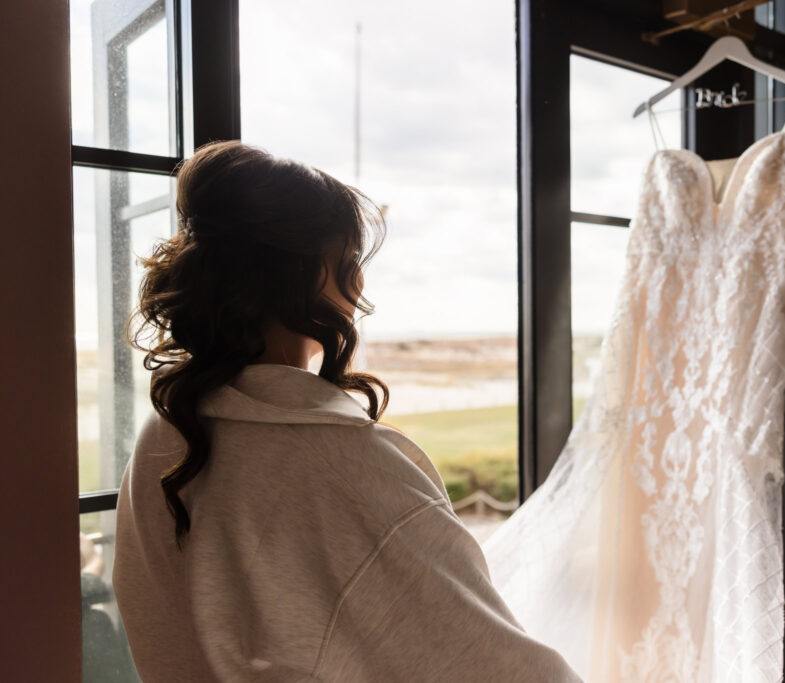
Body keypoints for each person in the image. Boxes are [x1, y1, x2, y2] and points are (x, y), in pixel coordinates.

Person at [113, 140, 582, 682]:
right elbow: (499, 668)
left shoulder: (170, 429)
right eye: (351, 261)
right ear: (309, 271)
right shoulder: (349, 464)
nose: (359, 284)